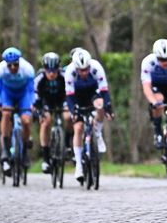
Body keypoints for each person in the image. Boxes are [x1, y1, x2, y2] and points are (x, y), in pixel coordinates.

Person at [65, 49, 113, 183]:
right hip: (77, 97)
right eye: (81, 70)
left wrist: (108, 107)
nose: (84, 72)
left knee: (100, 104)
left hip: (93, 93)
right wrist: (73, 111)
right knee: (78, 128)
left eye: (86, 69)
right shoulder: (70, 71)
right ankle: (79, 166)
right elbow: (69, 97)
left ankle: (97, 133)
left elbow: (104, 91)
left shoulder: (97, 67)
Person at [0, 47, 36, 175]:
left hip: (23, 95)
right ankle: (5, 149)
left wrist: (32, 104)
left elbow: (31, 90)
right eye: (10, 65)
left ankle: (24, 153)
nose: (12, 67)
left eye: (15, 65)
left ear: (19, 62)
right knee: (6, 114)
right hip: (8, 95)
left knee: (26, 120)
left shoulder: (27, 69)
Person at [34, 52, 70, 174]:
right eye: (48, 70)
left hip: (61, 100)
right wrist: (38, 109)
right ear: (44, 68)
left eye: (54, 70)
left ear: (58, 68)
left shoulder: (64, 75)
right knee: (46, 121)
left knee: (68, 117)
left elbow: (71, 90)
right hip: (46, 101)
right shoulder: (39, 77)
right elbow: (34, 93)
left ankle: (68, 145)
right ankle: (45, 158)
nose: (51, 73)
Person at [140, 39, 167, 149]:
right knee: (158, 100)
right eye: (161, 59)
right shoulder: (148, 62)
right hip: (157, 86)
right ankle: (158, 132)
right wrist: (153, 102)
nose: (165, 62)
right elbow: (146, 86)